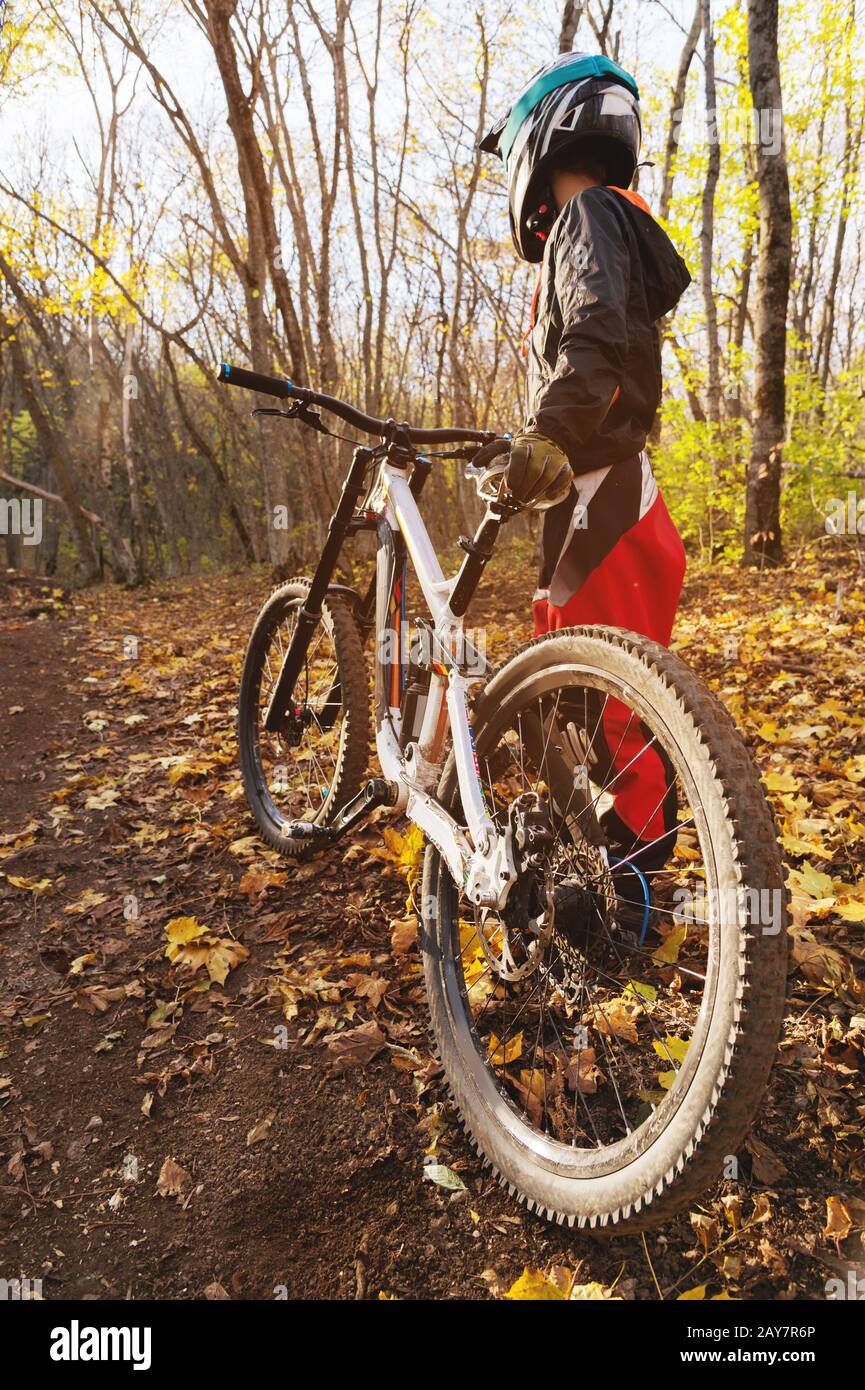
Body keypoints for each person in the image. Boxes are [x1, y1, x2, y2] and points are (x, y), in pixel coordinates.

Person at [480, 50, 691, 884]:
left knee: (610, 707)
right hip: (603, 495)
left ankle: (631, 894)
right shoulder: (611, 218)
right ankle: (603, 873)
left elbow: (596, 334)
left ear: (540, 145)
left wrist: (546, 434)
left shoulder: (588, 216)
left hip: (601, 492)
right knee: (581, 696)